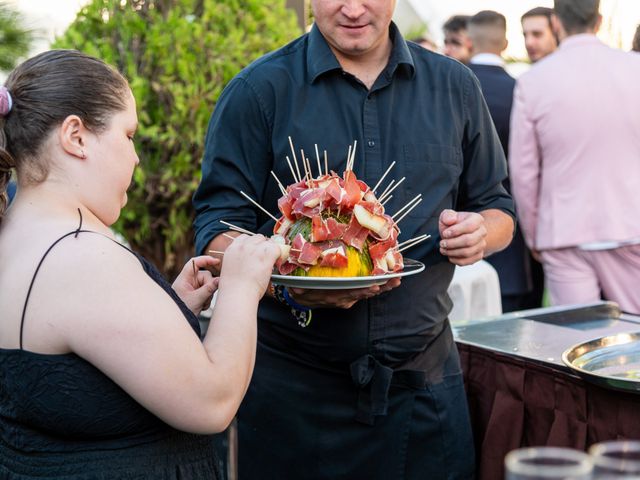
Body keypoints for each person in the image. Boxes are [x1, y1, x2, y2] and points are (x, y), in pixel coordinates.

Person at [193, 0, 515, 478]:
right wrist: (284, 277)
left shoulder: (455, 86)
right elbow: (217, 230)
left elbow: (499, 209)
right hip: (295, 393)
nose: (352, 8)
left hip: (422, 388)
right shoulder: (259, 90)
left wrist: (480, 233)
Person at [0, 50, 280, 479]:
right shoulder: (81, 256)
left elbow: (70, 378)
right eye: (128, 135)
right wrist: (242, 287)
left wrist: (173, 309)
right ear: (75, 136)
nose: (135, 158)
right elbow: (213, 403)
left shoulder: (15, 235)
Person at [509, 0, 640, 314]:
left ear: (556, 23)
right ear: (599, 20)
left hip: (563, 229)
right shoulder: (635, 68)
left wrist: (534, 232)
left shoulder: (533, 81)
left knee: (577, 343)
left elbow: (524, 171)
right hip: (631, 223)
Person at [467, 10, 540, 313]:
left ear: (470, 41)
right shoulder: (520, 90)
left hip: (458, 229)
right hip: (512, 229)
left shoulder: (450, 87)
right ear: (506, 42)